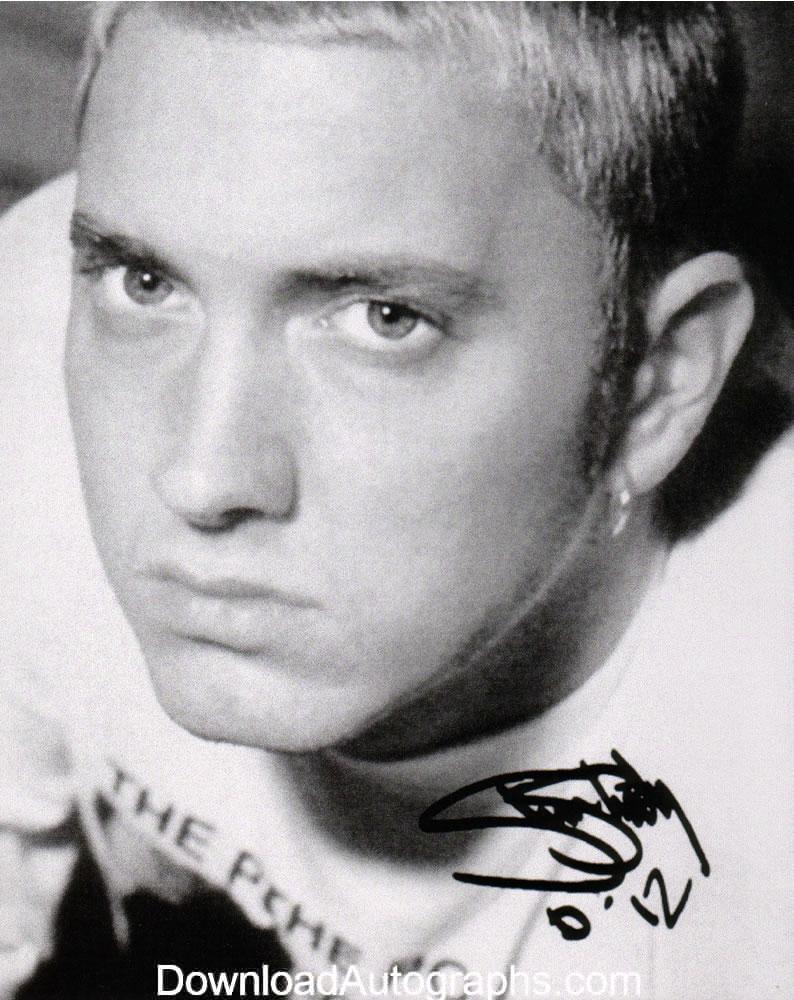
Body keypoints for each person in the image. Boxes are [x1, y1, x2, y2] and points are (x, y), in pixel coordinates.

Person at [1, 3, 791, 998]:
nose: (200, 479)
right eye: (147, 282)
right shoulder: (28, 341)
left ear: (655, 381)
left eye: (385, 319)